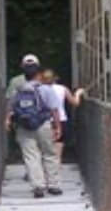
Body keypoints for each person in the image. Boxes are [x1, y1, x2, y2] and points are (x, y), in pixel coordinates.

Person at [5, 58, 62, 198]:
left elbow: (10, 108)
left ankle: (38, 186)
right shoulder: (46, 89)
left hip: (24, 127)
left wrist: (7, 120)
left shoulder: (18, 90)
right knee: (49, 154)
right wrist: (57, 127)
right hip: (43, 124)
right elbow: (55, 110)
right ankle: (53, 185)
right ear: (39, 74)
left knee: (31, 156)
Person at [37, 69, 83, 163]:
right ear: (55, 78)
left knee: (44, 151)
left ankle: (42, 174)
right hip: (61, 120)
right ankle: (55, 174)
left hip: (43, 122)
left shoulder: (38, 89)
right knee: (57, 153)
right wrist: (78, 93)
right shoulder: (62, 88)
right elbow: (75, 102)